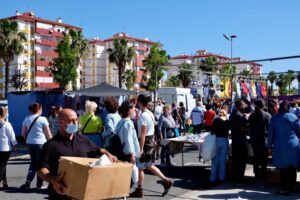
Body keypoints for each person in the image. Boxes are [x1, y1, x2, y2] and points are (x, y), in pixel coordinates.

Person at [37, 109, 117, 200]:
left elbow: (98, 150)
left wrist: (108, 154)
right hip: (60, 194)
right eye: (71, 121)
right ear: (61, 123)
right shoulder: (51, 145)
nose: (75, 123)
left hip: (83, 194)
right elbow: (41, 169)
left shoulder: (83, 140)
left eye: (76, 120)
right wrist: (53, 180)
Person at [130, 95, 173, 198]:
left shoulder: (144, 115)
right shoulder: (149, 113)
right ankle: (165, 180)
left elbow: (143, 134)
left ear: (140, 102)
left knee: (141, 167)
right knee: (149, 165)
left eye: (137, 102)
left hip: (146, 142)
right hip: (151, 142)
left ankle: (140, 189)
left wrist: (140, 149)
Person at [268, 101, 300, 195]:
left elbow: (270, 134)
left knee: (283, 168)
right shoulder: (293, 116)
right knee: (292, 167)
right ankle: (292, 187)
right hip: (293, 144)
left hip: (280, 145)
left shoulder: (274, 118)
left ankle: (285, 189)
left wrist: (269, 146)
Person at [21, 103, 52, 189]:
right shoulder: (43, 119)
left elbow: (23, 133)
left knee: (33, 162)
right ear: (38, 109)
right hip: (41, 143)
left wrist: (29, 139)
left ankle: (28, 182)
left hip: (30, 143)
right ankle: (39, 184)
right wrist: (51, 142)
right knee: (41, 164)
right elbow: (48, 133)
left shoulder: (26, 119)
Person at [116, 101, 140, 184]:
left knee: (124, 174)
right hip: (127, 153)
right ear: (129, 110)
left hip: (121, 150)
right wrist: (132, 155)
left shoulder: (120, 122)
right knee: (130, 176)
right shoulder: (129, 123)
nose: (135, 110)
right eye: (133, 108)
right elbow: (129, 140)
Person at [248, 99, 271, 185]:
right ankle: (263, 179)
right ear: (263, 105)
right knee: (264, 161)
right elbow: (269, 130)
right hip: (263, 141)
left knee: (256, 160)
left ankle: (257, 178)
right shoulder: (267, 115)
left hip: (254, 141)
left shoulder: (251, 116)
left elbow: (249, 129)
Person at [229, 100, 249, 184]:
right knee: (242, 161)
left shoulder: (231, 115)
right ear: (240, 106)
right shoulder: (240, 116)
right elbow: (243, 128)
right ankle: (240, 179)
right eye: (243, 105)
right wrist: (247, 123)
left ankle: (234, 178)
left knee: (235, 160)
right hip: (241, 141)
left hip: (234, 140)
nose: (245, 107)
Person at [210, 109, 230, 184]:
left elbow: (212, 131)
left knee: (215, 160)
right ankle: (222, 177)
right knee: (222, 161)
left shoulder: (216, 120)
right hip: (225, 140)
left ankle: (213, 178)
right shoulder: (227, 121)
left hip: (217, 140)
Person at [0, 106, 17, 188]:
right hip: (5, 148)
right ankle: (2, 180)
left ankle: (4, 182)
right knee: (2, 165)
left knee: (2, 165)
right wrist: (14, 145)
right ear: (5, 114)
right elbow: (12, 136)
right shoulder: (7, 124)